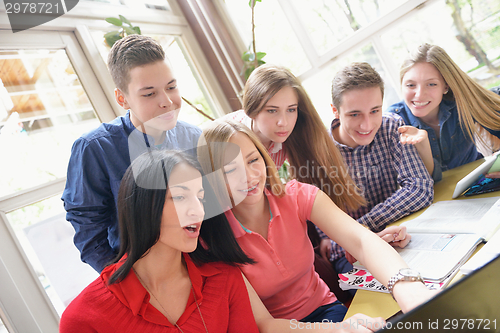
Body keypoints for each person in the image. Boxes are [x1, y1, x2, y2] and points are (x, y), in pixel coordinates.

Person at [60, 150, 387, 333]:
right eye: (180, 196)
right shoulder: (83, 319)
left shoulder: (225, 278)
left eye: (200, 197)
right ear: (143, 205)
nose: (196, 210)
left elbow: (265, 328)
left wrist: (343, 329)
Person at [197, 120, 436, 324]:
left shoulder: (296, 195)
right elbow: (264, 324)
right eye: (230, 170)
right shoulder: (213, 238)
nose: (249, 177)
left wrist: (409, 291)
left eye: (252, 160)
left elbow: (362, 240)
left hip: (326, 311)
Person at [61, 35, 201, 273]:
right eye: (149, 94)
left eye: (171, 87)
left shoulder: (194, 138)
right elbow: (88, 231)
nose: (166, 101)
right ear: (122, 99)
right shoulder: (94, 149)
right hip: (139, 275)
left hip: (199, 266)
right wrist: (125, 279)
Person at [319, 62, 434, 275]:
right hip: (353, 252)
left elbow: (420, 189)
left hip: (404, 228)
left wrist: (363, 227)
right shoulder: (318, 153)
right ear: (335, 111)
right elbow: (331, 240)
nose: (367, 125)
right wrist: (366, 236)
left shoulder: (391, 126)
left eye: (375, 111)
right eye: (355, 114)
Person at [222, 63, 365, 213]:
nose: (283, 122)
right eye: (272, 110)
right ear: (251, 110)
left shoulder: (289, 137)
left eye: (291, 109)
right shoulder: (226, 139)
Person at [387, 43, 500, 182]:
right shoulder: (394, 122)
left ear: (445, 86)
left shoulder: (461, 103)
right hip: (433, 198)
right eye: (411, 85)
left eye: (431, 84)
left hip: (479, 183)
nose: (420, 94)